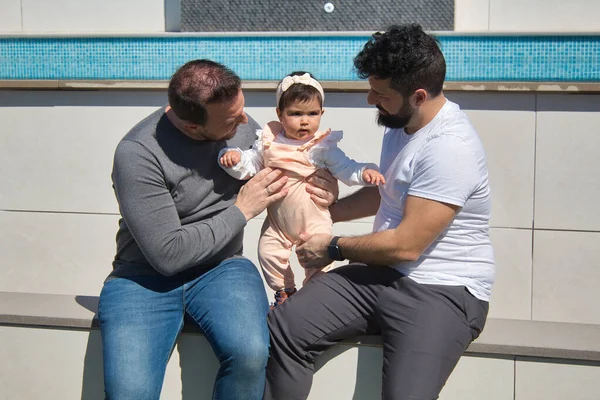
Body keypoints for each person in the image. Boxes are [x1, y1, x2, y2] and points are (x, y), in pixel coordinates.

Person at [264, 24, 495, 400]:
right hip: (381, 274)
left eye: (379, 93)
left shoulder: (450, 148)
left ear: (418, 95)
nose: (370, 99)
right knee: (284, 328)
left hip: (443, 289)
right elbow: (388, 195)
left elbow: (407, 245)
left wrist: (333, 246)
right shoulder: (401, 123)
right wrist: (325, 211)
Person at [98, 59, 337, 400]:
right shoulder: (138, 153)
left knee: (250, 354)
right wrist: (242, 210)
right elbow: (167, 255)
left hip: (221, 268)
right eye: (232, 119)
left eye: (242, 109)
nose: (244, 122)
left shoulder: (244, 127)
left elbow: (291, 181)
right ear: (193, 127)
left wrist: (327, 193)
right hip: (143, 278)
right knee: (129, 393)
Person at [218, 71, 385, 307]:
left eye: (312, 114)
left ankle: (315, 298)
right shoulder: (269, 141)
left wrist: (365, 172)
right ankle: (285, 291)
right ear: (280, 114)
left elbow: (346, 167)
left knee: (319, 261)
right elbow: (251, 163)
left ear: (321, 114)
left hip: (313, 218)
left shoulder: (321, 146)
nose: (304, 121)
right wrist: (233, 159)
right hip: (278, 222)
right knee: (268, 253)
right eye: (295, 114)